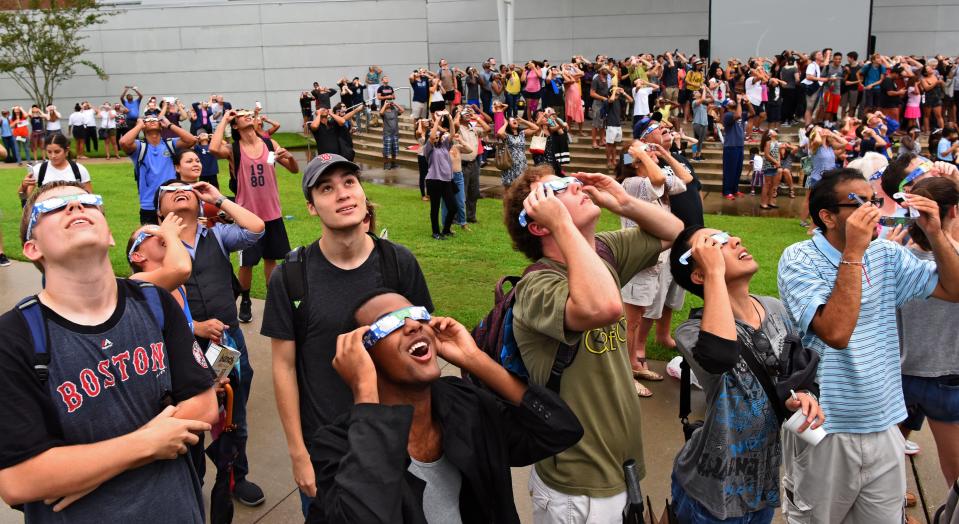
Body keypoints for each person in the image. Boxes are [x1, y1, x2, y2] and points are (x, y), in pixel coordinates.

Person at [0, 180, 217, 522]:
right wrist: (148, 444)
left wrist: (87, 469)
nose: (76, 207)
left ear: (111, 235)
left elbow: (204, 407)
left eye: (88, 202)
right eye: (53, 207)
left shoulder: (154, 302)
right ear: (31, 248)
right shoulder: (14, 337)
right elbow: (19, 479)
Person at [777, 168, 959, 523]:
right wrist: (855, 252)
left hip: (884, 422)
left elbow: (953, 290)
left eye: (875, 200)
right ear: (827, 217)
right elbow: (836, 332)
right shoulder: (799, 259)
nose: (873, 210)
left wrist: (937, 232)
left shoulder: (887, 255)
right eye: (859, 203)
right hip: (825, 428)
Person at [504, 165, 683, 522]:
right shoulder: (537, 288)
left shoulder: (603, 251)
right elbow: (603, 307)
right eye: (559, 189)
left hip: (619, 468)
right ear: (539, 224)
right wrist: (563, 225)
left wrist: (624, 202)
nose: (575, 185)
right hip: (577, 485)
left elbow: (674, 232)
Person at [307, 291, 583, 523]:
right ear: (361, 357)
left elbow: (559, 430)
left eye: (417, 315)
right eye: (389, 324)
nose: (413, 325)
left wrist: (475, 359)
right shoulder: (336, 448)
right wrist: (365, 391)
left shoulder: (464, 403)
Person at [262, 153, 433, 518]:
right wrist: (298, 453)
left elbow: (425, 349)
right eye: (327, 188)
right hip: (328, 451)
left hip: (399, 441)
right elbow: (283, 369)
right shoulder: (291, 276)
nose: (342, 194)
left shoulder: (398, 262)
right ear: (311, 207)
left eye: (349, 182)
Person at [668, 225, 824, 523]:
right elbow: (721, 355)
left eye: (729, 236)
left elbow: (796, 372)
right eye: (717, 243)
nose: (736, 239)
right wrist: (714, 274)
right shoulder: (691, 332)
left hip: (761, 486)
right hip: (711, 492)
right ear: (699, 274)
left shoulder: (775, 308)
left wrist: (803, 397)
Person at [156, 179, 268, 509]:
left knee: (232, 411)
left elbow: (257, 228)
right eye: (168, 190)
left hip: (224, 344)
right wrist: (194, 326)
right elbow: (147, 300)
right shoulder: (155, 245)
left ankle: (235, 475)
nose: (179, 189)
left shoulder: (216, 235)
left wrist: (217, 198)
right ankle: (193, 481)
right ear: (159, 210)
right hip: (181, 349)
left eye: (186, 187)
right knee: (191, 415)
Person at [896, 176, 959, 488]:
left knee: (884, 466)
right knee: (955, 478)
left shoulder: (894, 258)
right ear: (954, 212)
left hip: (897, 372)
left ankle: (894, 511)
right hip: (948, 374)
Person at [209, 108, 298, 324]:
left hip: (273, 213)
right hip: (247, 217)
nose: (247, 114)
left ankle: (272, 301)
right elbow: (213, 148)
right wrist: (224, 120)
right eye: (241, 114)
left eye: (249, 112)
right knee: (247, 263)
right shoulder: (234, 149)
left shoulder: (269, 144)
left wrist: (291, 158)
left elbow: (293, 169)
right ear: (236, 125)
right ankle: (246, 299)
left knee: (271, 259)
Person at [119, 114, 197, 225]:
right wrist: (139, 125)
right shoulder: (139, 147)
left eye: (155, 119)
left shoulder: (170, 144)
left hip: (172, 201)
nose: (151, 121)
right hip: (148, 205)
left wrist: (169, 125)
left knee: (176, 238)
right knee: (152, 240)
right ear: (144, 126)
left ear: (161, 126)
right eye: (148, 120)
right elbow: (123, 142)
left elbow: (191, 140)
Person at [20, 134, 93, 198]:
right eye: (49, 152)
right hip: (48, 213)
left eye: (57, 152)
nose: (53, 156)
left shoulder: (79, 169)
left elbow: (90, 198)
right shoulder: (39, 169)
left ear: (66, 151)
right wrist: (23, 186)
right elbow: (24, 198)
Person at [423, 115, 458, 240]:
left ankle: (446, 229)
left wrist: (449, 118)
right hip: (434, 180)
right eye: (435, 135)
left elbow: (453, 134)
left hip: (446, 181)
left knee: (453, 207)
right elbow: (432, 137)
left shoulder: (445, 146)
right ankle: (436, 232)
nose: (437, 137)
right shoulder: (428, 148)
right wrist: (437, 120)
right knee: (435, 208)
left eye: (439, 135)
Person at [721, 95, 752, 200]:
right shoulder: (728, 115)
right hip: (730, 146)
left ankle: (735, 189)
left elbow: (753, 113)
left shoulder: (739, 113)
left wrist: (748, 103)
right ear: (726, 106)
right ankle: (727, 191)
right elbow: (738, 115)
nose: (733, 101)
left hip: (739, 145)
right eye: (730, 101)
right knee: (729, 170)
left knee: (737, 170)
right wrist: (739, 102)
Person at [497, 115, 539, 187]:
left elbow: (536, 128)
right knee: (510, 185)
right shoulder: (507, 135)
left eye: (515, 120)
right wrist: (505, 123)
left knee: (522, 185)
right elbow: (499, 133)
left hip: (522, 162)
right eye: (512, 120)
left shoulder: (522, 133)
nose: (514, 121)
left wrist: (523, 121)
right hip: (510, 163)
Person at [604, 86, 632, 169]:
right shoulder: (608, 100)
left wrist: (624, 93)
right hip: (610, 125)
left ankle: (614, 160)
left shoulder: (620, 100)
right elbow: (611, 100)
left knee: (615, 144)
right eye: (615, 89)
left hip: (618, 125)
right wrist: (614, 91)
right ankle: (609, 161)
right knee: (609, 145)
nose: (617, 90)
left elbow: (631, 100)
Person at [589, 65, 611, 149]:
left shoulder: (606, 78)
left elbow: (613, 75)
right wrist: (602, 98)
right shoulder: (596, 80)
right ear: (600, 70)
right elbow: (592, 93)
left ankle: (602, 140)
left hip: (605, 103)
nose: (607, 70)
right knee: (595, 124)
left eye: (607, 68)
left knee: (603, 123)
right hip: (597, 103)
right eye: (605, 68)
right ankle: (594, 141)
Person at [379, 100, 403, 170]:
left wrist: (395, 104)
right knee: (386, 151)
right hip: (387, 134)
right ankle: (386, 164)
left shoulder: (394, 111)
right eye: (386, 102)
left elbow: (402, 110)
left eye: (389, 102)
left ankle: (393, 163)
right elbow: (380, 112)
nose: (388, 103)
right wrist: (385, 105)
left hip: (395, 134)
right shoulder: (384, 112)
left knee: (395, 150)